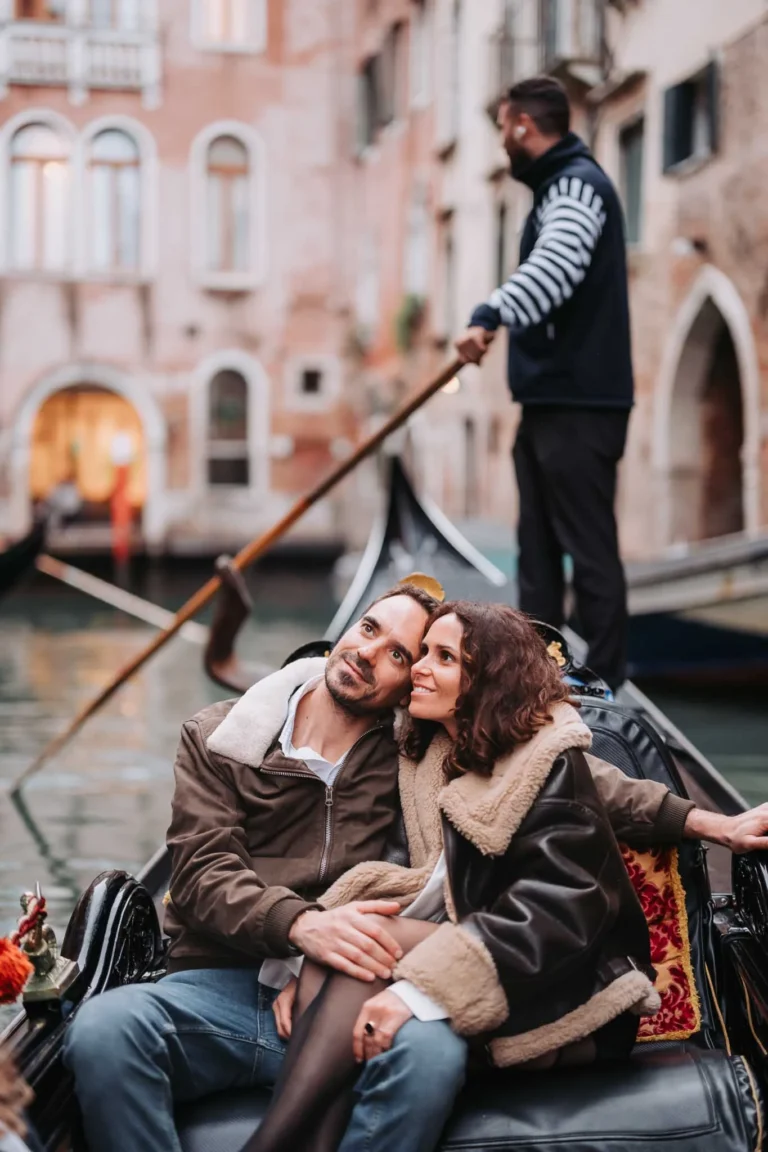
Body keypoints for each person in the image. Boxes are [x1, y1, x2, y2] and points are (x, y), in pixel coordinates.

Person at [63, 584, 768, 1152]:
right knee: (103, 1031)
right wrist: (304, 928)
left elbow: (559, 772)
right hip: (224, 984)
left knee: (432, 1058)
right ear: (348, 629)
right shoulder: (219, 736)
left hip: (363, 984)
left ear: (412, 683)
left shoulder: (415, 744)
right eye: (370, 629)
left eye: (402, 654)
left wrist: (705, 820)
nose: (372, 653)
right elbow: (203, 874)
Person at [243, 601, 659, 1152]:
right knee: (348, 939)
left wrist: (414, 996)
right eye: (421, 654)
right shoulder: (435, 752)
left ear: (487, 679)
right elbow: (313, 692)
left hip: (567, 990)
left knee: (370, 937)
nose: (417, 667)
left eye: (443, 658)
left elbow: (559, 915)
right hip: (485, 956)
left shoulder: (547, 763)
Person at [455, 76, 634, 689]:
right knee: (536, 553)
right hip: (551, 402)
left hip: (581, 402)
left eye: (502, 126)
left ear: (522, 126)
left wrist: (488, 315)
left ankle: (604, 683)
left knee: (588, 553)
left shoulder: (576, 186)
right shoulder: (557, 188)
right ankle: (536, 677)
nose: (501, 139)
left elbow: (555, 270)